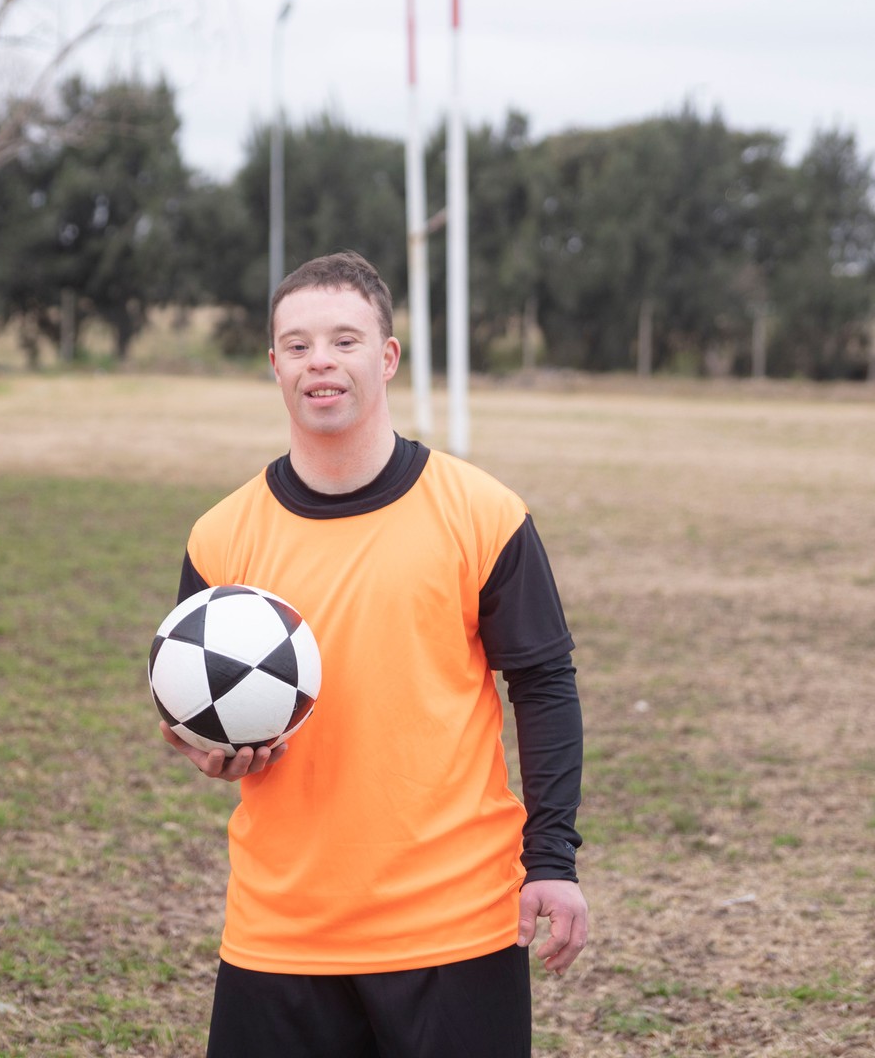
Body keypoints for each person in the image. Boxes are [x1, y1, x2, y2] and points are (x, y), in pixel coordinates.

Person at [161, 251, 588, 1058]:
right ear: (275, 366)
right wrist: (204, 750)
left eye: (344, 340)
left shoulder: (481, 514)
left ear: (386, 358)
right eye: (297, 345)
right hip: (280, 930)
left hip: (452, 926)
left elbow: (544, 684)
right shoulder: (220, 537)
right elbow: (184, 708)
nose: (319, 360)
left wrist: (552, 859)